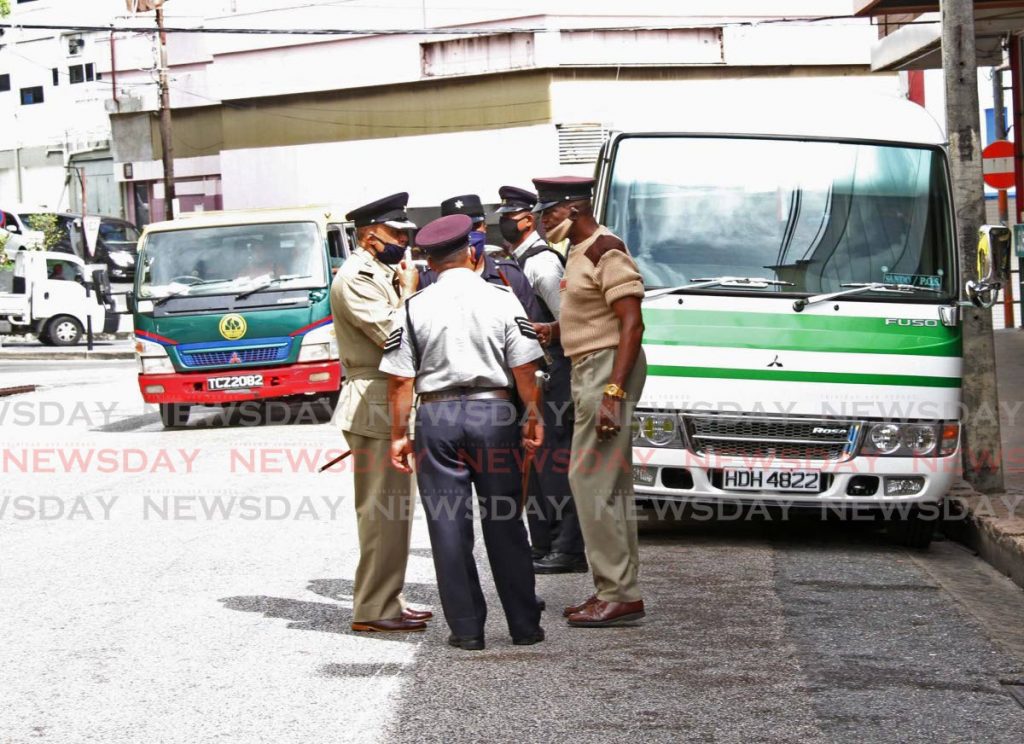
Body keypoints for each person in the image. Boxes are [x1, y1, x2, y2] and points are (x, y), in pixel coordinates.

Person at [381, 214, 546, 651]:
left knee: (448, 526)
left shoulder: (413, 306)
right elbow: (525, 367)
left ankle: (468, 629)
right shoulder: (501, 297)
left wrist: (399, 434)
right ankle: (524, 625)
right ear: (473, 253)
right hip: (494, 415)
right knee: (506, 519)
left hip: (436, 418)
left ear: (429, 262)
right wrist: (532, 416)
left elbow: (399, 380)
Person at [531, 175, 648, 628]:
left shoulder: (605, 248)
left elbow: (632, 325)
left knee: (590, 480)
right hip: (590, 365)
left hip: (607, 370)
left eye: (549, 213)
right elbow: (596, 315)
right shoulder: (578, 252)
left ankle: (617, 593)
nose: (543, 223)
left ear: (573, 210)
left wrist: (614, 393)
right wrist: (557, 332)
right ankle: (617, 591)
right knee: (607, 484)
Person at [329, 192, 432, 633]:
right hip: (373, 398)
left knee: (395, 511)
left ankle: (387, 598)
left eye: (407, 233)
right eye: (397, 233)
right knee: (381, 512)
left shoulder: (380, 272)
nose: (404, 242)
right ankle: (373, 607)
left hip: (387, 395)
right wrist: (409, 295)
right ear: (370, 237)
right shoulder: (356, 277)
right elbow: (394, 335)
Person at [496, 185, 586, 574]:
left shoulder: (541, 263)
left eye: (508, 215)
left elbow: (572, 321)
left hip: (555, 374)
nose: (502, 222)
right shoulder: (518, 259)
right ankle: (546, 542)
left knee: (555, 463)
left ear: (526, 219)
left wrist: (547, 331)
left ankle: (568, 548)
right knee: (539, 465)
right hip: (536, 376)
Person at [419, 194, 542, 319]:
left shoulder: (509, 274)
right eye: (459, 231)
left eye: (474, 226)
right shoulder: (429, 280)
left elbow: (533, 325)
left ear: (485, 227)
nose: (467, 234)